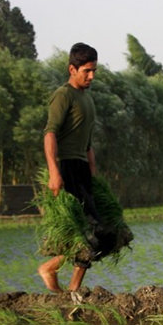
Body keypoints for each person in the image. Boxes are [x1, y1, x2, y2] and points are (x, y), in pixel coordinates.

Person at [37, 42, 104, 298]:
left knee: (97, 231)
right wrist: (55, 173)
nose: (92, 76)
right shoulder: (63, 95)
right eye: (87, 71)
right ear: (72, 69)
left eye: (94, 70)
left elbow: (88, 142)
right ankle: (50, 268)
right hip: (65, 167)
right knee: (88, 230)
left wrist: (93, 175)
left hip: (82, 168)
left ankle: (74, 288)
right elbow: (49, 134)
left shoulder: (87, 99)